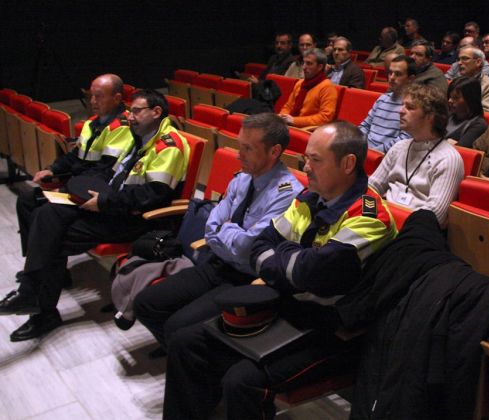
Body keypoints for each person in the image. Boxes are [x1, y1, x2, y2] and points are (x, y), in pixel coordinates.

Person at [163, 121, 397, 420]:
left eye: (315, 160)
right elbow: (260, 248)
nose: (305, 167)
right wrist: (296, 261)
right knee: (186, 343)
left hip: (330, 329)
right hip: (284, 304)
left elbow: (312, 274)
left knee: (242, 380)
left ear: (348, 163)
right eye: (306, 158)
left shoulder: (370, 216)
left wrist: (288, 259)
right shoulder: (308, 199)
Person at [0, 89, 190, 342]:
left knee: (51, 234)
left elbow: (153, 195)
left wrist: (104, 201)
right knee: (46, 214)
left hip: (135, 219)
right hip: (112, 207)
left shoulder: (168, 145)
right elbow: (112, 173)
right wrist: (81, 188)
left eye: (136, 111)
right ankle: (34, 295)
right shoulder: (140, 136)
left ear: (156, 112)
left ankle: (37, 303)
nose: (130, 116)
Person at [134, 113, 303, 348]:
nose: (238, 154)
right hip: (216, 263)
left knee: (177, 326)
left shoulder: (287, 194)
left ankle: (188, 358)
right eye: (239, 146)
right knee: (145, 303)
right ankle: (180, 354)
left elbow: (246, 248)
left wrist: (227, 230)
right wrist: (231, 234)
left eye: (247, 148)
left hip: (246, 278)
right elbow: (211, 229)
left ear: (274, 151)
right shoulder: (242, 178)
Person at [16, 74, 133, 256]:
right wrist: (52, 169)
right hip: (77, 184)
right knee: (26, 199)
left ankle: (43, 269)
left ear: (117, 98)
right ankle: (35, 261)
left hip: (92, 191)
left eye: (99, 96)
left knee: (45, 212)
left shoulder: (122, 127)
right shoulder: (92, 123)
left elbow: (104, 170)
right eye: (91, 96)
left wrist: (66, 190)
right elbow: (74, 157)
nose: (93, 101)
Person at [369, 83, 463, 227]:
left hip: (413, 233)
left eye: (410, 107)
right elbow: (371, 187)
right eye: (402, 105)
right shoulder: (399, 147)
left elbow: (435, 214)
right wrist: (368, 216)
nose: (401, 111)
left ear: (430, 117)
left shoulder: (448, 159)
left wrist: (390, 222)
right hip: (380, 223)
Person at [359, 55, 416, 152]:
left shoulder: (413, 106)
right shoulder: (382, 98)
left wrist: (372, 152)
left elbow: (403, 141)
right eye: (390, 73)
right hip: (366, 151)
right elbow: (365, 126)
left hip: (385, 157)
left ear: (411, 79)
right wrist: (359, 145)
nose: (392, 78)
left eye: (398, 74)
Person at [278, 49, 338, 128]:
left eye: (309, 64)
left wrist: (294, 121)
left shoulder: (327, 87)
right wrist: (283, 116)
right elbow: (288, 106)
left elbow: (325, 118)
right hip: (291, 126)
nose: (304, 67)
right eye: (304, 63)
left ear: (320, 67)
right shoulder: (300, 83)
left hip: (308, 130)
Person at [445, 76, 488, 147]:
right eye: (450, 97)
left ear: (470, 100)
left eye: (456, 98)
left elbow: (462, 151)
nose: (450, 101)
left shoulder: (478, 125)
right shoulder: (447, 115)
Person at [457, 46, 489, 112]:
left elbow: (485, 112)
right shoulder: (456, 82)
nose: (459, 63)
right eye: (458, 59)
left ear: (478, 62)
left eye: (465, 59)